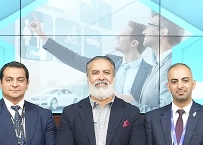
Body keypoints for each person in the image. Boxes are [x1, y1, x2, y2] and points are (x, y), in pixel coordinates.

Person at [26, 17, 154, 107]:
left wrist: (133, 104)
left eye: (122, 35)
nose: (117, 36)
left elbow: (155, 108)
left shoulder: (151, 72)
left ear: (134, 43)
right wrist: (43, 36)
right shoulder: (107, 62)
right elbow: (73, 58)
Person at [135, 12, 185, 112]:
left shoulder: (172, 66)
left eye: (149, 27)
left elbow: (167, 113)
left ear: (163, 32)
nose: (144, 32)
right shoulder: (158, 65)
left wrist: (132, 104)